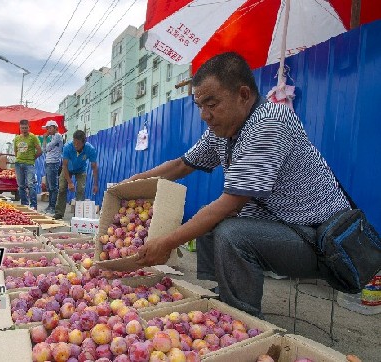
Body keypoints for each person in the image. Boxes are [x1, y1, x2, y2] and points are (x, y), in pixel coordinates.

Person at [128, 52, 350, 317]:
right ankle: (225, 292)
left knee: (229, 232)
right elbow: (181, 165)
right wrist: (131, 184)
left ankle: (242, 320)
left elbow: (227, 204)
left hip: (320, 240)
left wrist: (165, 244)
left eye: (211, 104)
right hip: (285, 229)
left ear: (243, 95)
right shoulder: (224, 130)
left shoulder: (269, 124)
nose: (204, 115)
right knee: (212, 223)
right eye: (200, 105)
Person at [54, 130, 98, 220]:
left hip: (81, 170)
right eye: (74, 142)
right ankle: (59, 213)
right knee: (62, 188)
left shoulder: (90, 149)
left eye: (78, 143)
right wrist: (70, 182)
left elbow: (94, 167)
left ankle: (78, 214)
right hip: (67, 169)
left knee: (81, 189)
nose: (75, 145)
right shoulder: (67, 147)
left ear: (84, 142)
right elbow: (65, 166)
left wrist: (96, 184)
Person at [13, 119, 42, 210]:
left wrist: (33, 158)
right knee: (21, 185)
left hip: (29, 164)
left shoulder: (33, 137)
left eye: (26, 128)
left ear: (29, 127)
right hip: (18, 164)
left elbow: (39, 151)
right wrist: (19, 158)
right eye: (22, 128)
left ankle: (33, 205)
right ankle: (24, 205)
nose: (24, 130)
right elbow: (15, 151)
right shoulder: (17, 138)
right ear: (20, 128)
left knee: (30, 184)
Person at [41, 120, 64, 214]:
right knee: (49, 187)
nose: (48, 130)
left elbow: (47, 148)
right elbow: (44, 150)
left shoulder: (58, 136)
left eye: (50, 128)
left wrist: (45, 139)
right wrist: (46, 140)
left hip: (53, 163)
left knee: (53, 187)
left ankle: (53, 207)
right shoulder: (53, 137)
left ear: (55, 128)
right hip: (48, 162)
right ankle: (50, 206)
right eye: (47, 128)